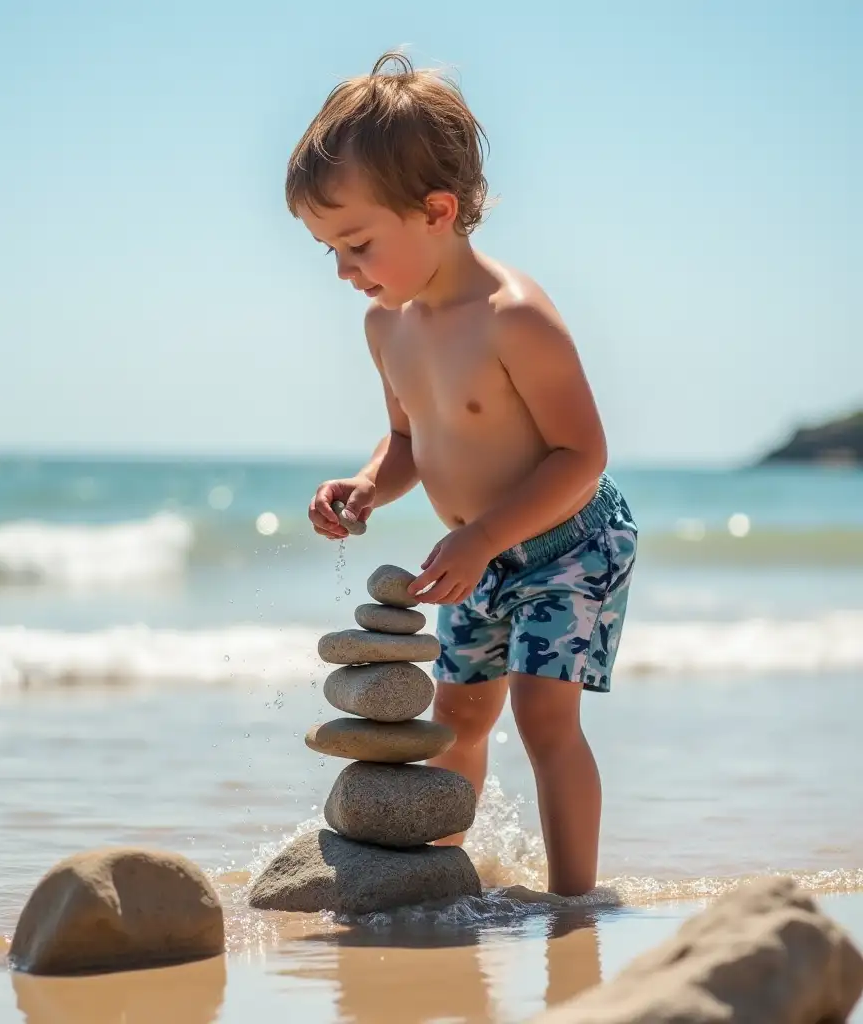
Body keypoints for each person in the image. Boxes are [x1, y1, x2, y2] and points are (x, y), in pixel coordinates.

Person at [291, 52, 637, 897]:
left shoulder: (512, 317)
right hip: (474, 552)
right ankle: (444, 873)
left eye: (357, 242)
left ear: (437, 211)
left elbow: (582, 458)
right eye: (329, 248)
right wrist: (371, 483)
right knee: (458, 718)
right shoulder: (386, 326)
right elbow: (408, 437)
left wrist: (484, 535)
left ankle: (572, 903)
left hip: (570, 543)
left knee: (543, 717)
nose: (343, 269)